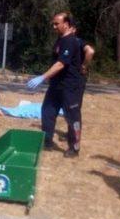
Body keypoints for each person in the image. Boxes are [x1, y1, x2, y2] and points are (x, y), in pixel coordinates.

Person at [27, 12, 83, 158]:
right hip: (56, 85)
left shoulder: (70, 41)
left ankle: (74, 148)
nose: (54, 26)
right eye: (53, 24)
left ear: (66, 24)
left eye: (56, 24)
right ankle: (47, 142)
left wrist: (42, 77)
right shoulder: (60, 40)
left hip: (69, 87)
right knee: (47, 112)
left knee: (72, 117)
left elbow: (61, 64)